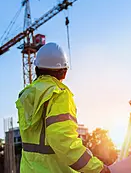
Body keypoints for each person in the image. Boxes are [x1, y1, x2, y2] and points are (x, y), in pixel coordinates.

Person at [16, 42, 110, 173]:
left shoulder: (27, 95)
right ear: (63, 72)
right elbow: (65, 142)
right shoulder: (59, 94)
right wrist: (97, 168)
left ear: (37, 68)